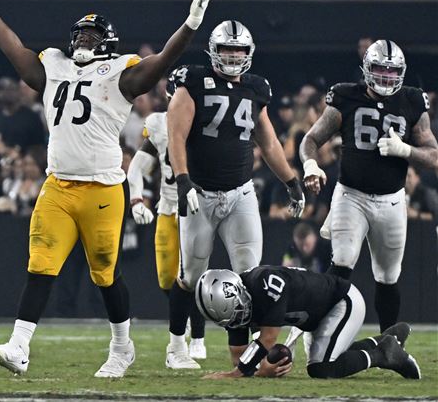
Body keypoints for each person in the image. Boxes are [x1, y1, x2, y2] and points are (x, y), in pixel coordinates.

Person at [0, 0, 219, 378]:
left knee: (105, 274)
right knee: (40, 264)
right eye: (80, 35)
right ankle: (18, 346)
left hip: (103, 189)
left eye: (92, 36)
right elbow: (16, 52)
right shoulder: (53, 65)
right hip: (57, 186)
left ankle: (122, 348)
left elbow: (161, 63)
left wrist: (190, 26)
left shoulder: (122, 72)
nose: (84, 41)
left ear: (108, 43)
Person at [165, 20, 305, 369]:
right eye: (226, 49)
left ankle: (242, 356)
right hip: (200, 192)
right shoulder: (193, 80)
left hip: (240, 193)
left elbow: (268, 141)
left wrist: (291, 179)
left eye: (238, 50)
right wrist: (182, 179)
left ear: (248, 53)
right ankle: (176, 345)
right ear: (213, 50)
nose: (231, 55)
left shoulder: (256, 89)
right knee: (192, 275)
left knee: (248, 275)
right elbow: (176, 135)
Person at [300, 40, 438, 332]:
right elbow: (311, 139)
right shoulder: (345, 96)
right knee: (342, 264)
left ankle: (389, 344)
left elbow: (433, 156)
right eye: (380, 69)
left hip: (392, 199)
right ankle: (321, 335)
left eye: (392, 71)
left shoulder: (412, 100)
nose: (386, 77)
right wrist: (310, 164)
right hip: (351, 195)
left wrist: (406, 151)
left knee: (388, 276)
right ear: (366, 69)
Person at [196, 267, 421, 380]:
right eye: (232, 316)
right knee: (328, 358)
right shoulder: (232, 309)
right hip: (316, 318)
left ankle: (383, 355)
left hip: (341, 302)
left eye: (239, 308)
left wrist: (236, 374)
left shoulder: (265, 283)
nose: (239, 316)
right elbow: (239, 356)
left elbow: (268, 338)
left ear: (238, 289)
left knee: (322, 368)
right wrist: (258, 370)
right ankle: (382, 341)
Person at [127, 66, 207, 361]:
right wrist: (136, 200)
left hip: (198, 210)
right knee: (165, 279)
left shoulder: (208, 123)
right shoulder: (159, 124)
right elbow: (137, 168)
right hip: (167, 208)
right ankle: (183, 320)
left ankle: (197, 336)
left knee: (191, 278)